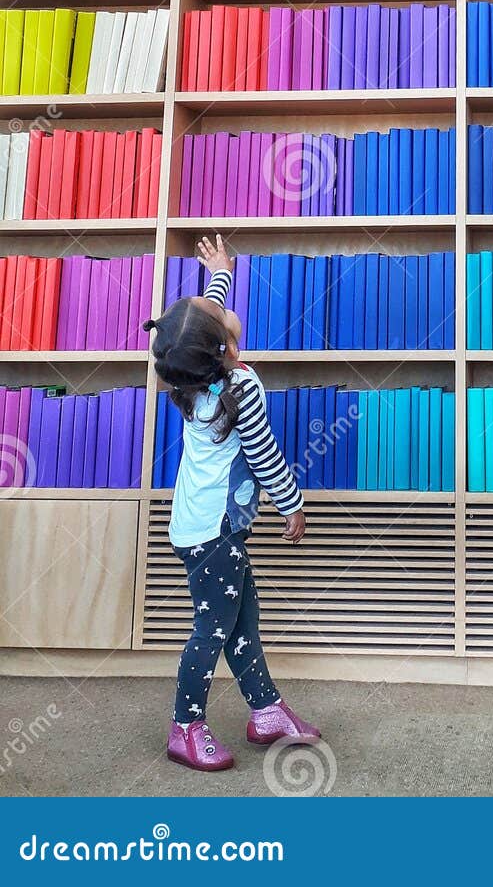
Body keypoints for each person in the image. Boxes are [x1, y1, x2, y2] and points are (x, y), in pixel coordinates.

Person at [145, 233, 320, 772]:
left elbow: (209, 318)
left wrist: (220, 272)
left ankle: (266, 710)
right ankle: (185, 726)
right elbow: (264, 457)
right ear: (226, 348)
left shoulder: (192, 369)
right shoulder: (239, 388)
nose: (220, 306)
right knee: (213, 628)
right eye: (215, 312)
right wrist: (291, 505)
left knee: (242, 619)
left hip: (203, 526)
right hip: (213, 533)